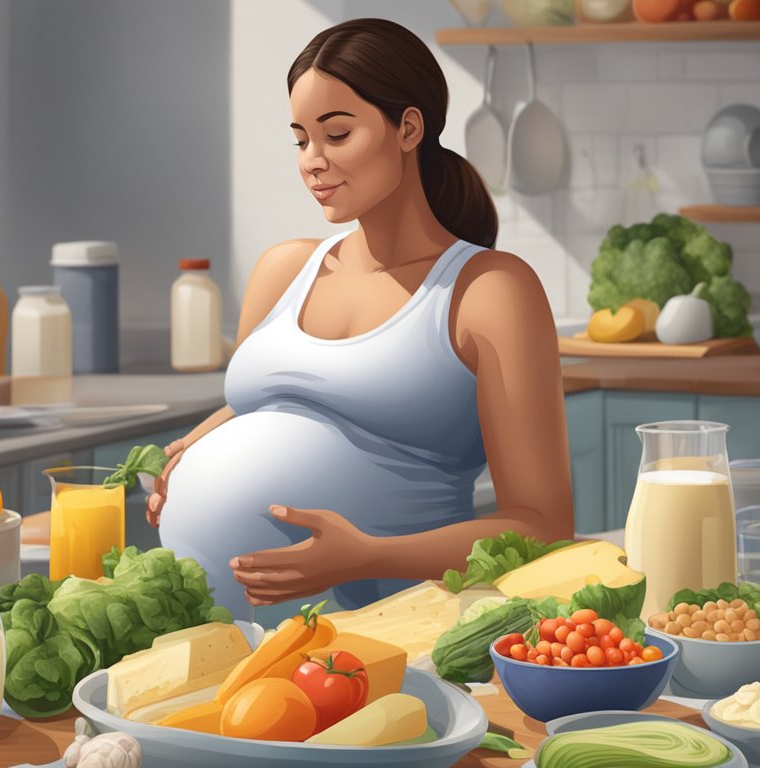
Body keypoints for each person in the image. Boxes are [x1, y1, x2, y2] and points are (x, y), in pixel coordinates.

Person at [149, 18, 573, 620]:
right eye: (300, 140)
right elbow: (277, 404)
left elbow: (542, 527)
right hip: (206, 637)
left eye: (337, 133)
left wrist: (367, 556)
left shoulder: (488, 291)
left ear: (408, 127)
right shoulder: (284, 270)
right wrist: (195, 447)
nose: (313, 162)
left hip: (378, 644)